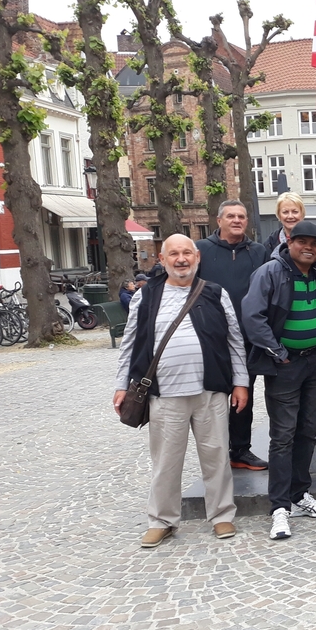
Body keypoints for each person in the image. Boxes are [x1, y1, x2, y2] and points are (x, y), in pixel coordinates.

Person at [113, 234, 249, 548]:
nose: (181, 259)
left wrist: (240, 382)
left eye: (187, 253)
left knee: (216, 457)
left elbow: (235, 342)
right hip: (163, 394)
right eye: (173, 254)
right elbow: (129, 346)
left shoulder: (215, 294)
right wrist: (121, 385)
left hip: (210, 391)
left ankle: (222, 515)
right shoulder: (145, 297)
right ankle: (162, 521)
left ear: (197, 257)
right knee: (166, 462)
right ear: (162, 260)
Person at [241, 221, 316, 540]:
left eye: (315, 243)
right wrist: (278, 351)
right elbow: (252, 316)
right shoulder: (271, 272)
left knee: (308, 430)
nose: (309, 247)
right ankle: (279, 508)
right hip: (285, 364)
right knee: (283, 435)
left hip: (314, 362)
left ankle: (299, 494)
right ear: (290, 241)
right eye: (302, 242)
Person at [195, 200, 270, 472]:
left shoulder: (259, 252)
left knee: (243, 396)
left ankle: (240, 449)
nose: (237, 220)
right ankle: (214, 451)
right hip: (211, 338)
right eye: (231, 216)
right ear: (219, 220)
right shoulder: (201, 250)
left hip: (247, 338)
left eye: (241, 216)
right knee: (212, 397)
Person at [265, 192, 307, 257]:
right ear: (279, 215)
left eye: (295, 212)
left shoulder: (315, 239)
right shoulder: (269, 244)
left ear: (302, 214)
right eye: (285, 212)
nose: (290, 216)